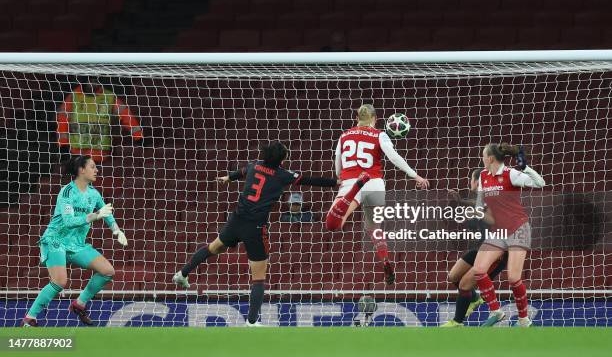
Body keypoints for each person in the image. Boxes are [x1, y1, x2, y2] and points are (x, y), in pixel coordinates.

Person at [172, 141, 338, 326]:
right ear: (282, 159)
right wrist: (337, 182)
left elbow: (243, 171)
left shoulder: (254, 166)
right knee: (258, 277)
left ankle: (182, 273)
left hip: (236, 220)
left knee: (214, 247)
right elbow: (311, 181)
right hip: (255, 227)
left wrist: (229, 177)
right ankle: (251, 322)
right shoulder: (283, 175)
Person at [325, 104, 429, 285]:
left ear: (356, 116)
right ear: (375, 118)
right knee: (373, 227)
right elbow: (394, 157)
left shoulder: (344, 135)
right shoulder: (380, 134)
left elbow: (337, 162)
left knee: (335, 224)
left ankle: (354, 190)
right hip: (375, 183)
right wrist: (415, 176)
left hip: (351, 182)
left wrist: (339, 176)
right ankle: (385, 259)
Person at [21, 155, 128, 327]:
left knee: (107, 271)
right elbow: (69, 222)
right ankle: (29, 318)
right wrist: (94, 216)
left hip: (76, 245)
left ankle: (80, 304)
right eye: (92, 167)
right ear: (81, 170)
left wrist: (116, 229)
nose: (97, 170)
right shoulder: (67, 191)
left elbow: (105, 212)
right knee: (60, 281)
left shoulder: (94, 193)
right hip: (56, 240)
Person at [472, 143, 545, 327]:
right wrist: (474, 213)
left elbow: (540, 183)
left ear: (490, 158)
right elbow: (480, 205)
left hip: (518, 228)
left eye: (483, 156)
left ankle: (523, 320)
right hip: (498, 231)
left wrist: (525, 167)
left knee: (513, 278)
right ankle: (496, 311)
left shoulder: (510, 174)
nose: (482, 159)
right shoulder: (482, 176)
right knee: (479, 270)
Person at [439, 168, 509, 327]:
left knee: (464, 284)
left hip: (495, 251)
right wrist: (462, 202)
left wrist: (474, 213)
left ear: (477, 181)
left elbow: (492, 218)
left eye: (471, 179)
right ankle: (474, 298)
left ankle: (457, 322)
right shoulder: (483, 198)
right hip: (481, 248)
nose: (469, 182)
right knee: (453, 277)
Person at [57, 79, 143, 163]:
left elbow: (126, 115)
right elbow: (62, 120)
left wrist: (138, 136)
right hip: (77, 153)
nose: (91, 83)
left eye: (94, 79)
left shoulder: (109, 97)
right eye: (89, 79)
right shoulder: (73, 96)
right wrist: (63, 144)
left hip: (100, 154)